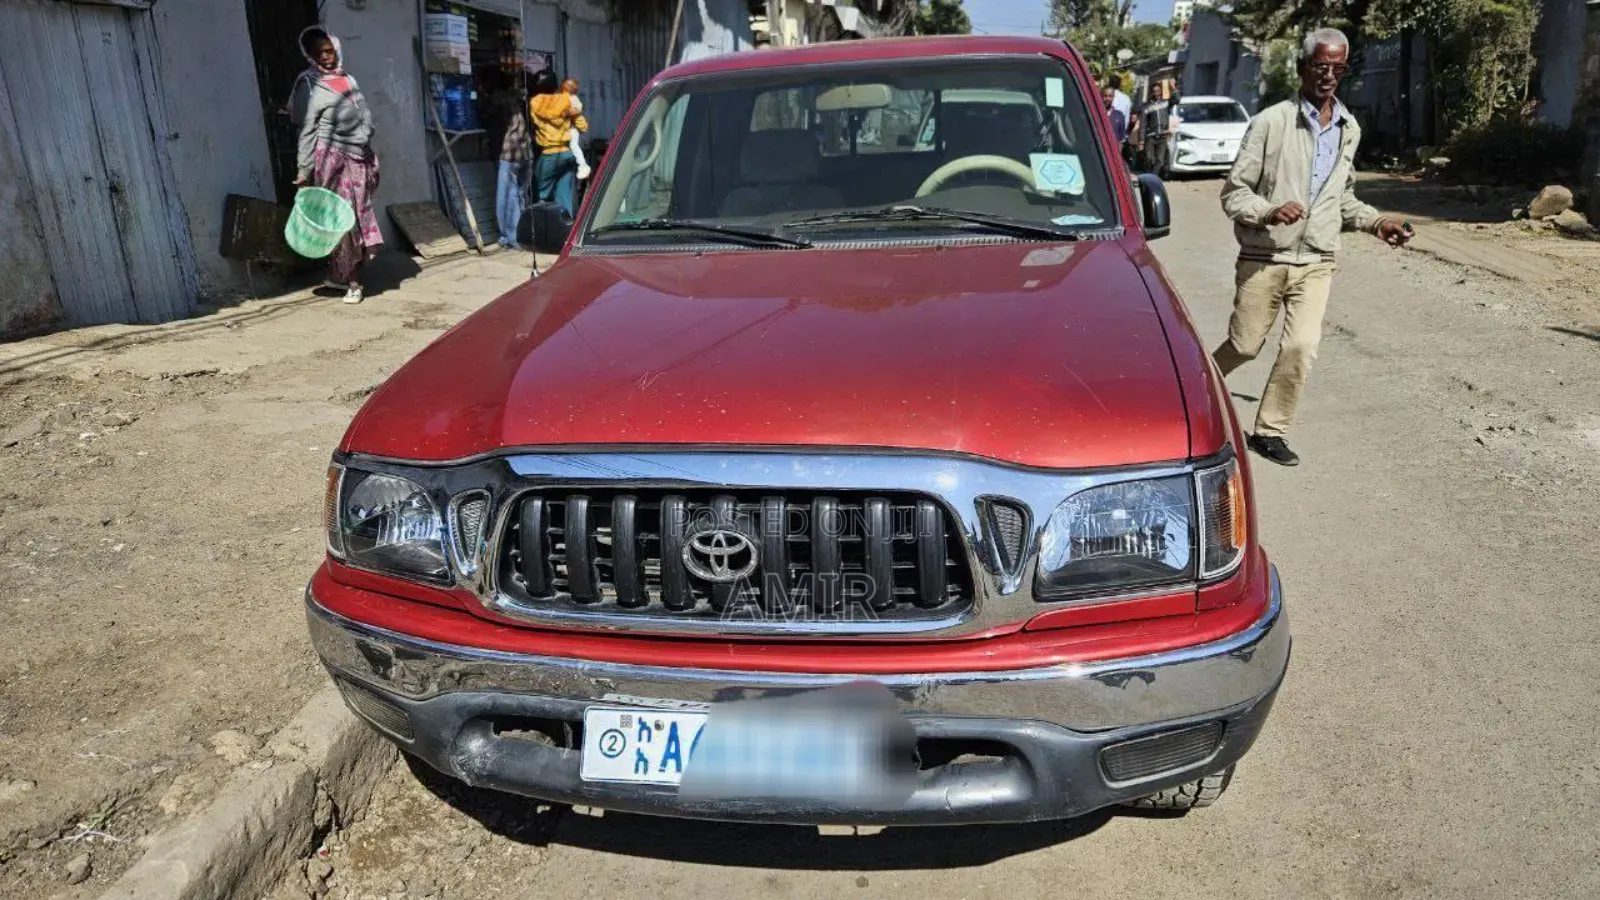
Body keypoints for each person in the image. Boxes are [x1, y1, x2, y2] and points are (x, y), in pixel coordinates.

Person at [1215, 28, 1412, 466]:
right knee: (1244, 346)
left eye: (1337, 68)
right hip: (1265, 256)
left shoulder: (1349, 128)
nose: (1328, 75)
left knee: (1301, 346)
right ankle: (1196, 389)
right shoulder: (1270, 122)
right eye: (1320, 66)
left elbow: (1341, 198)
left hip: (1317, 260)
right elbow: (1233, 193)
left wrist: (1378, 222)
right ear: (1302, 67)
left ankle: (1269, 430)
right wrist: (1269, 211)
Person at [289, 26, 380, 305]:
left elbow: (363, 114)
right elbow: (306, 130)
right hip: (332, 161)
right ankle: (353, 282)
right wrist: (303, 172)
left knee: (359, 215)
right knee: (342, 220)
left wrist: (368, 142)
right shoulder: (308, 83)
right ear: (311, 56)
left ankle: (339, 275)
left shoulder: (348, 79)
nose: (326, 57)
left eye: (329, 51)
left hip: (359, 157)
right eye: (319, 53)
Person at [529, 71, 588, 219]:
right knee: (564, 197)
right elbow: (582, 125)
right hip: (567, 153)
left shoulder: (535, 102)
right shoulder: (569, 100)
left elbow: (544, 117)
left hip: (549, 154)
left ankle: (544, 231)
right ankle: (566, 233)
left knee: (541, 196)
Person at [495, 80, 532, 249]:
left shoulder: (503, 103)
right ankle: (521, 234)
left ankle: (512, 237)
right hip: (525, 153)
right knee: (520, 194)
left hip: (510, 154)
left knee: (508, 196)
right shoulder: (524, 103)